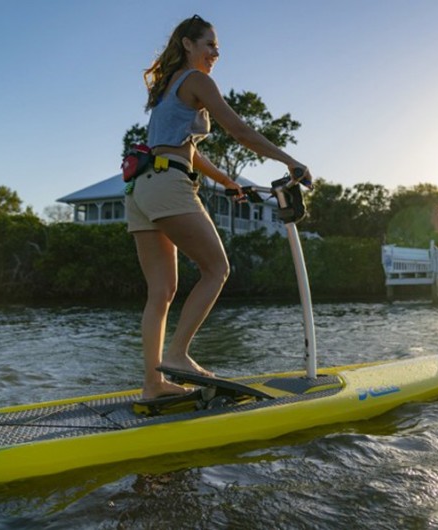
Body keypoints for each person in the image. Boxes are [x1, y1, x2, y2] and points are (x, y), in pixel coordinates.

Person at [127, 14, 312, 400]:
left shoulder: (165, 91)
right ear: (187, 45)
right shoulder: (197, 81)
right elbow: (239, 130)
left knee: (160, 291)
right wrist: (289, 161)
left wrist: (228, 181)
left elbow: (185, 152)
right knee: (216, 268)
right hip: (168, 186)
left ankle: (152, 384)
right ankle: (176, 356)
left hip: (142, 189)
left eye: (218, 47)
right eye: (209, 44)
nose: (215, 52)